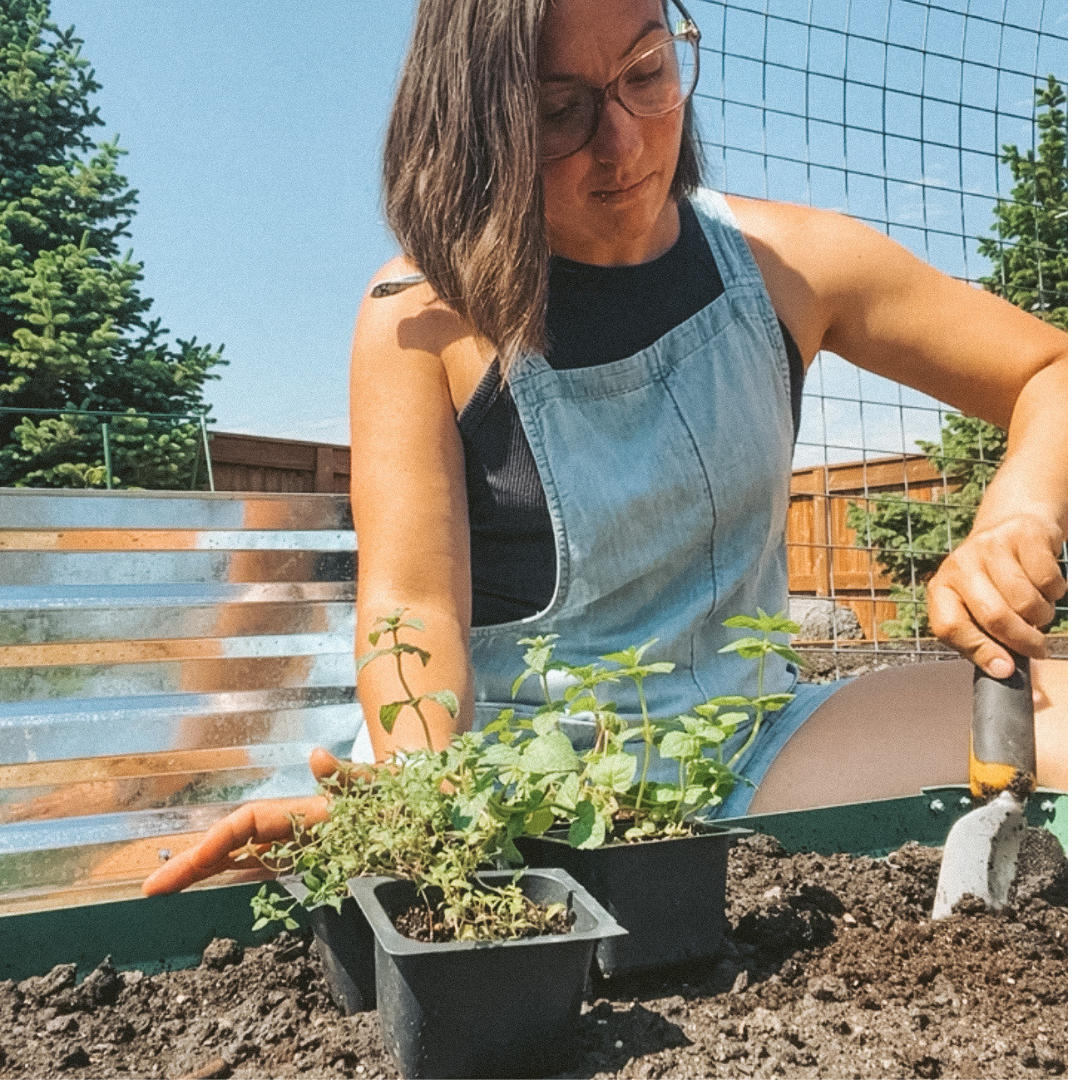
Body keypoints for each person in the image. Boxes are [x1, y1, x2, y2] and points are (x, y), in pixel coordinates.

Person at [143, 0, 1066, 897]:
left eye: (648, 72)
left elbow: (1051, 372)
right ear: (477, 120)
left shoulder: (792, 268)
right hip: (513, 788)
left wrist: (1017, 515)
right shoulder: (420, 320)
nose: (622, 143)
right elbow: (413, 610)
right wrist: (420, 811)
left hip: (753, 743)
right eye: (558, 111)